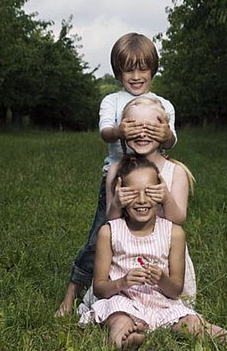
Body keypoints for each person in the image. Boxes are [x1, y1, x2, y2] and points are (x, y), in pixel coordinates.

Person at [81, 156, 227, 350]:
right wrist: (123, 282)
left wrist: (161, 279)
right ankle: (126, 344)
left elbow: (176, 289)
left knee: (193, 324)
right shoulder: (109, 231)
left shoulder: (174, 233)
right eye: (132, 193)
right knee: (120, 320)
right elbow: (100, 288)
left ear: (161, 192)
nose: (142, 200)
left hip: (162, 303)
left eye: (150, 192)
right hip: (123, 301)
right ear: (120, 193)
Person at [56, 33, 177, 316]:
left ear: (153, 69)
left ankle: (151, 296)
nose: (136, 76)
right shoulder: (112, 101)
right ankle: (71, 293)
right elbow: (104, 132)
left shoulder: (163, 104)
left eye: (142, 68)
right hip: (117, 182)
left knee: (152, 236)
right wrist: (120, 131)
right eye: (128, 69)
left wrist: (165, 134)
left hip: (150, 182)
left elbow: (172, 141)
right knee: (102, 235)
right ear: (118, 71)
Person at [79, 95, 196, 311]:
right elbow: (112, 223)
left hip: (163, 259)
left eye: (150, 127)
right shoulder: (116, 170)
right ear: (123, 130)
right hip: (124, 258)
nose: (142, 134)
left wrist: (165, 198)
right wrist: (117, 203)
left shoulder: (175, 171)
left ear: (164, 131)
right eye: (134, 126)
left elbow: (179, 219)